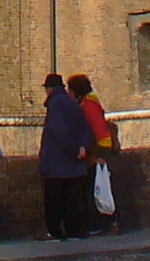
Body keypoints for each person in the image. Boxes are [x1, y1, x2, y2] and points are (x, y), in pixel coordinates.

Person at [36, 74, 92, 241]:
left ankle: (54, 232)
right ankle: (75, 231)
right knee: (72, 201)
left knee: (53, 201)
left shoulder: (55, 104)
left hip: (56, 163)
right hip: (74, 166)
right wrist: (82, 148)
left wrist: (74, 150)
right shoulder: (73, 103)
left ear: (49, 89)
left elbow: (59, 131)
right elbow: (87, 130)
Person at [68, 75, 119, 233]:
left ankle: (103, 223)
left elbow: (100, 131)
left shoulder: (89, 105)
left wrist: (102, 154)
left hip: (96, 155)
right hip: (93, 154)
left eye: (70, 90)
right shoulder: (87, 103)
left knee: (95, 190)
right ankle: (104, 223)